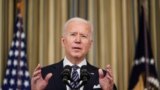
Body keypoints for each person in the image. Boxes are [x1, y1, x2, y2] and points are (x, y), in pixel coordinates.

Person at [31, 17, 117, 90]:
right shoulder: (44, 75)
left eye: (83, 36)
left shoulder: (103, 78)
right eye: (73, 34)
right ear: (63, 41)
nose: (78, 40)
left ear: (90, 44)